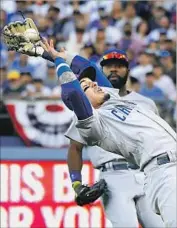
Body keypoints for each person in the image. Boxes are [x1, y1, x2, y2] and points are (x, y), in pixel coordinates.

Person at [44, 39, 176, 227]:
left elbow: (89, 67)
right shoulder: (92, 123)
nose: (95, 84)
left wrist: (55, 54)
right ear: (82, 102)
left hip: (158, 169)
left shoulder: (113, 100)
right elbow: (72, 94)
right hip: (160, 169)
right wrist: (59, 63)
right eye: (87, 86)